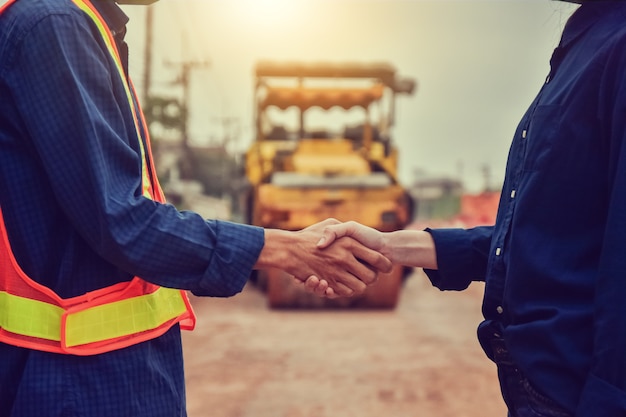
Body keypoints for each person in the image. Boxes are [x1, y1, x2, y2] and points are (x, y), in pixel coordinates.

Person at [0, 0, 390, 416]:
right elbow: (121, 220)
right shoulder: (56, 26)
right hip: (80, 380)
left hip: (95, 371)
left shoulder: (72, 25)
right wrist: (287, 249)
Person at [309, 1, 626, 416]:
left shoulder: (618, 45)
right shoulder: (588, 42)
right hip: (539, 388)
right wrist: (388, 246)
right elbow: (542, 237)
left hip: (574, 395)